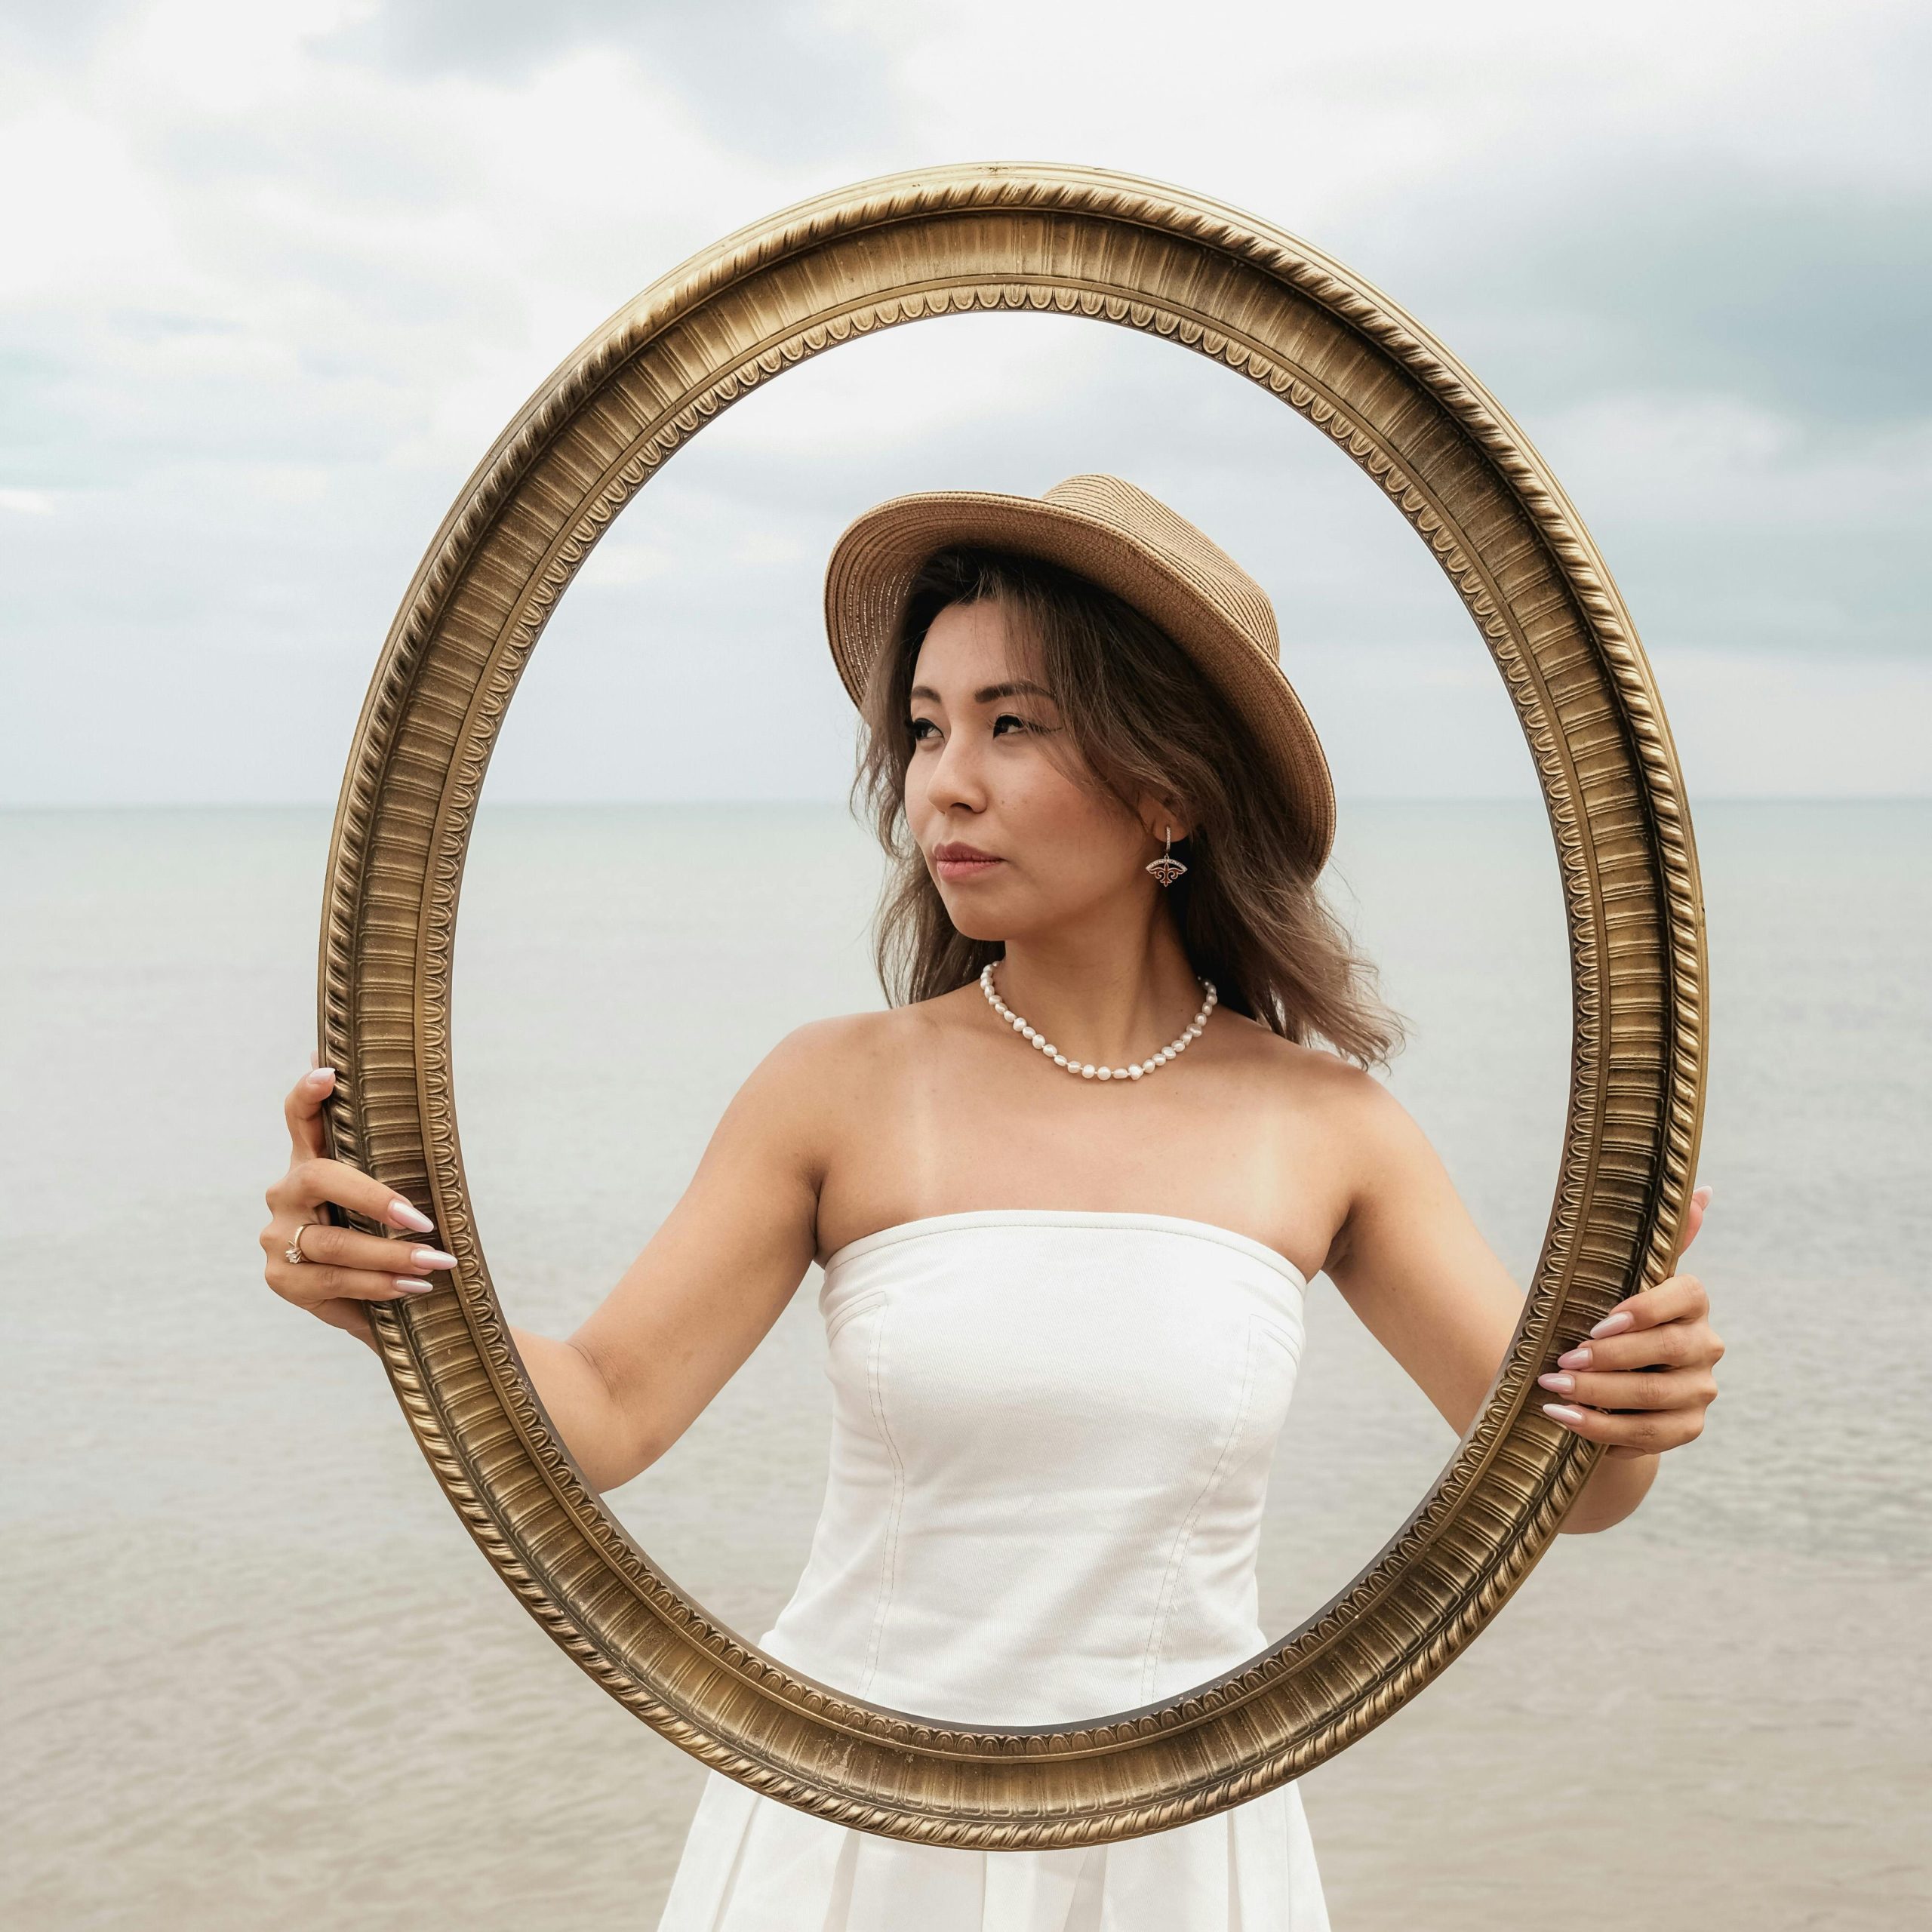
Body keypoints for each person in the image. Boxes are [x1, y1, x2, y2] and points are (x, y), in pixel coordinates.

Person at [260, 475, 1723, 1929]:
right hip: (842, 1833)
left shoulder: (1328, 1127)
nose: (939, 781)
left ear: (1167, 783)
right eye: (923, 726)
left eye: (1009, 723)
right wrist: (400, 1286)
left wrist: (1633, 1394)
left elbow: (1570, 1487)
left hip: (1180, 1853)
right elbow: (606, 1407)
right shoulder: (831, 1086)